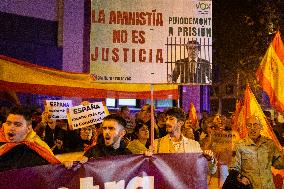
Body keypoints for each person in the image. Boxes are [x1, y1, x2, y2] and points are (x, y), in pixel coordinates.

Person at [153, 107, 217, 174]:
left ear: (180, 123)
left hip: (187, 183)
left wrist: (210, 159)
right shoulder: (157, 144)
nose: (167, 122)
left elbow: (211, 171)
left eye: (171, 119)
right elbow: (150, 168)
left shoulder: (194, 145)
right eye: (166, 119)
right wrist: (146, 157)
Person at [228, 115, 284, 189]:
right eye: (249, 125)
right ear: (246, 128)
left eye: (255, 125)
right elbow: (233, 168)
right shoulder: (240, 145)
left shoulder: (269, 144)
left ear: (260, 127)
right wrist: (241, 178)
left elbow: (279, 164)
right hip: (250, 187)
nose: (252, 128)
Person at [0, 106, 60, 172]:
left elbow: (54, 171)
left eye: (17, 125)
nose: (11, 128)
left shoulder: (38, 147)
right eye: (8, 123)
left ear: (28, 129)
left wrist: (65, 166)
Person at [64, 114, 132, 169]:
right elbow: (78, 170)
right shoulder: (93, 152)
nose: (106, 132)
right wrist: (70, 164)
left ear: (122, 133)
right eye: (104, 128)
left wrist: (142, 159)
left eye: (111, 128)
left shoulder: (128, 155)